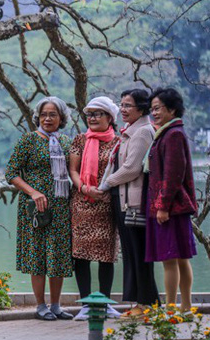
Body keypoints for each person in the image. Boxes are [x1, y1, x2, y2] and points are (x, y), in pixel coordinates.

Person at [5, 96, 74, 321]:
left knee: (58, 256)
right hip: (37, 207)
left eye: (52, 114)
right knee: (38, 256)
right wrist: (33, 192)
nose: (47, 118)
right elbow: (11, 173)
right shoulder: (29, 141)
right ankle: (40, 305)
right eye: (43, 114)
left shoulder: (65, 142)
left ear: (61, 117)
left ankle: (56, 305)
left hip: (61, 206)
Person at [98, 89, 160, 317]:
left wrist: (105, 185)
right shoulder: (129, 132)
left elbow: (132, 169)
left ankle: (147, 305)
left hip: (133, 203)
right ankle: (143, 303)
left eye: (128, 106)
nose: (122, 110)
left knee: (139, 253)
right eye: (121, 105)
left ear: (141, 108)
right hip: (122, 200)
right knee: (132, 253)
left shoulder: (143, 132)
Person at [144, 88, 197, 311]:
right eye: (152, 109)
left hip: (171, 207)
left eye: (158, 108)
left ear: (172, 109)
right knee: (181, 258)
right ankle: (184, 307)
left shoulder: (172, 134)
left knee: (170, 259)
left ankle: (172, 307)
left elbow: (173, 174)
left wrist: (163, 207)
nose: (154, 113)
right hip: (172, 206)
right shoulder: (166, 133)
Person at [69, 96, 120, 320]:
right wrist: (84, 188)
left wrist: (105, 187)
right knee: (81, 255)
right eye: (89, 114)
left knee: (106, 255)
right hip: (82, 204)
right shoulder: (80, 140)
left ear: (110, 117)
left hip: (108, 204)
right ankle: (86, 304)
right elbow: (72, 170)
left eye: (97, 114)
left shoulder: (118, 142)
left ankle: (105, 303)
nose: (92, 118)